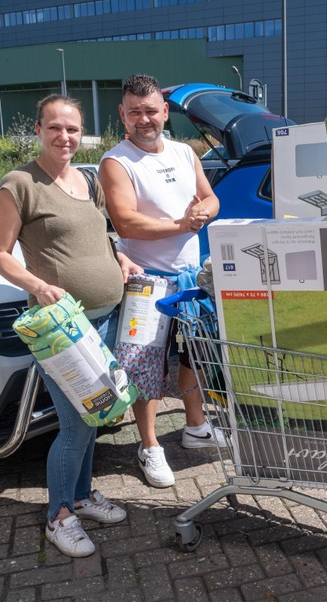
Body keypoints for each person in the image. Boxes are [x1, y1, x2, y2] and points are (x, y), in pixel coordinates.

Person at [0, 94, 143, 558]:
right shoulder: (20, 184)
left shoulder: (86, 179)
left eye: (72, 129)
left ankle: (80, 495)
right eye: (55, 127)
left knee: (97, 414)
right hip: (62, 331)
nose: (64, 137)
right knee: (74, 425)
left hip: (108, 316)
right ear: (38, 130)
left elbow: (101, 234)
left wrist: (121, 257)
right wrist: (39, 284)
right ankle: (58, 516)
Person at [100, 74, 225, 489]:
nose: (144, 119)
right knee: (145, 367)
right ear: (123, 114)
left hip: (191, 276)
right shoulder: (116, 162)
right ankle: (150, 446)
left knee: (196, 355)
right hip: (146, 282)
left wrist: (203, 213)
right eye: (134, 111)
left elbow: (211, 197)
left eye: (151, 110)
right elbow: (125, 222)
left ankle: (194, 426)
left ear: (165, 112)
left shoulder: (184, 152)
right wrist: (182, 223)